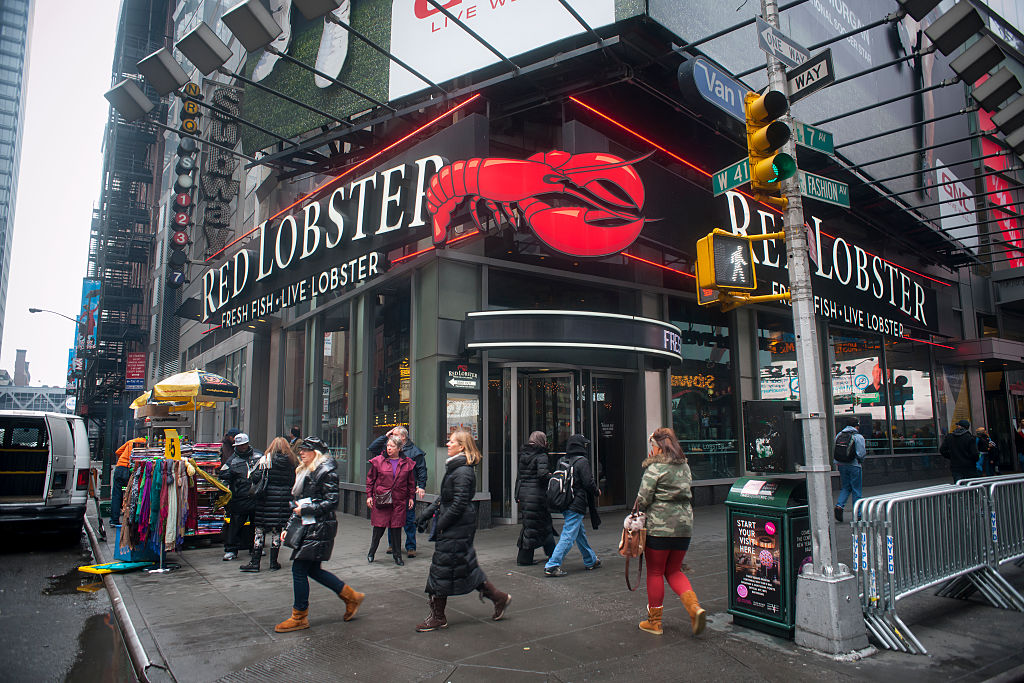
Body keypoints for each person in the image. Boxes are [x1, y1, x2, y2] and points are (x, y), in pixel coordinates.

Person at [415, 430, 511, 632]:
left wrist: (440, 525)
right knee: (463, 568)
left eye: (451, 442)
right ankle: (499, 598)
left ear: (462, 447)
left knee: (442, 569)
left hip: (457, 528)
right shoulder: (456, 469)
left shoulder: (463, 472)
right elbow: (445, 499)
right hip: (455, 527)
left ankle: (438, 616)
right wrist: (426, 515)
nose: (447, 444)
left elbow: (458, 504)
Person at [275, 436, 365, 633]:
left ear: (315, 453)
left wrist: (305, 511)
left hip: (319, 527)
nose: (301, 452)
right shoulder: (306, 470)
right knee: (312, 570)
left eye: (305, 450)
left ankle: (299, 616)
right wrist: (289, 526)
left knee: (299, 570)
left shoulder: (326, 472)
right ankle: (351, 597)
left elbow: (332, 502)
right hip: (309, 526)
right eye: (301, 449)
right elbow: (300, 502)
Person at [634, 428, 705, 637]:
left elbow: (643, 497)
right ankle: (694, 609)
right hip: (684, 526)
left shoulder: (656, 467)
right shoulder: (684, 466)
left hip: (660, 526)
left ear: (657, 447)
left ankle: (654, 622)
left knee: (655, 571)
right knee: (674, 570)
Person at [544, 434, 601, 577]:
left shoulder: (562, 460)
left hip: (563, 502)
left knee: (579, 533)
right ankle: (553, 564)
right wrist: (597, 492)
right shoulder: (582, 462)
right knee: (569, 535)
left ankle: (590, 560)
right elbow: (588, 483)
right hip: (577, 503)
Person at [240, 437, 297, 573]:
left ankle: (255, 562)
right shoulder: (292, 462)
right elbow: (294, 480)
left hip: (265, 500)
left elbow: (255, 477)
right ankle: (273, 562)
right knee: (276, 531)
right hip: (283, 500)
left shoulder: (266, 459)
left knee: (259, 531)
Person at [368, 426, 427, 557]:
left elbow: (421, 470)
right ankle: (392, 545)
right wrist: (386, 435)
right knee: (391, 519)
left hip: (405, 492)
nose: (391, 438)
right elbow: (372, 448)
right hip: (389, 493)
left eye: (394, 435)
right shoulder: (388, 450)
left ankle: (410, 547)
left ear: (403, 437)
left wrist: (421, 486)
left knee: (409, 519)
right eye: (390, 437)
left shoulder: (415, 452)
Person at [219, 432, 262, 561]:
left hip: (256, 497)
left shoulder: (259, 456)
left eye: (244, 445)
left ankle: (255, 547)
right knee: (235, 524)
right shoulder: (231, 461)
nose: (242, 447)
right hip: (239, 498)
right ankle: (231, 549)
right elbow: (223, 477)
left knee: (256, 525)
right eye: (239, 445)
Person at [515, 431, 556, 566]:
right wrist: (554, 477)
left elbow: (519, 477)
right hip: (537, 496)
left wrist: (517, 494)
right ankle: (549, 554)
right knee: (541, 525)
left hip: (525, 495)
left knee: (531, 525)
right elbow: (542, 474)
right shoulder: (541, 455)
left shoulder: (524, 455)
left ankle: (551, 553)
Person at [833, 417, 866, 523]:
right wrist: (860, 461)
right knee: (856, 490)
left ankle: (839, 506)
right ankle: (858, 514)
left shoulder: (839, 435)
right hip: (854, 465)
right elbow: (861, 453)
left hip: (841, 465)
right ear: (856, 426)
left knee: (846, 487)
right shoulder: (858, 437)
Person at [110, 436, 145, 526]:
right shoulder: (145, 444)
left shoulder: (130, 442)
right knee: (130, 493)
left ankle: (114, 520)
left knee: (116, 494)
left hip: (120, 468)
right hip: (130, 469)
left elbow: (117, 452)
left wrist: (123, 458)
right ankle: (129, 518)